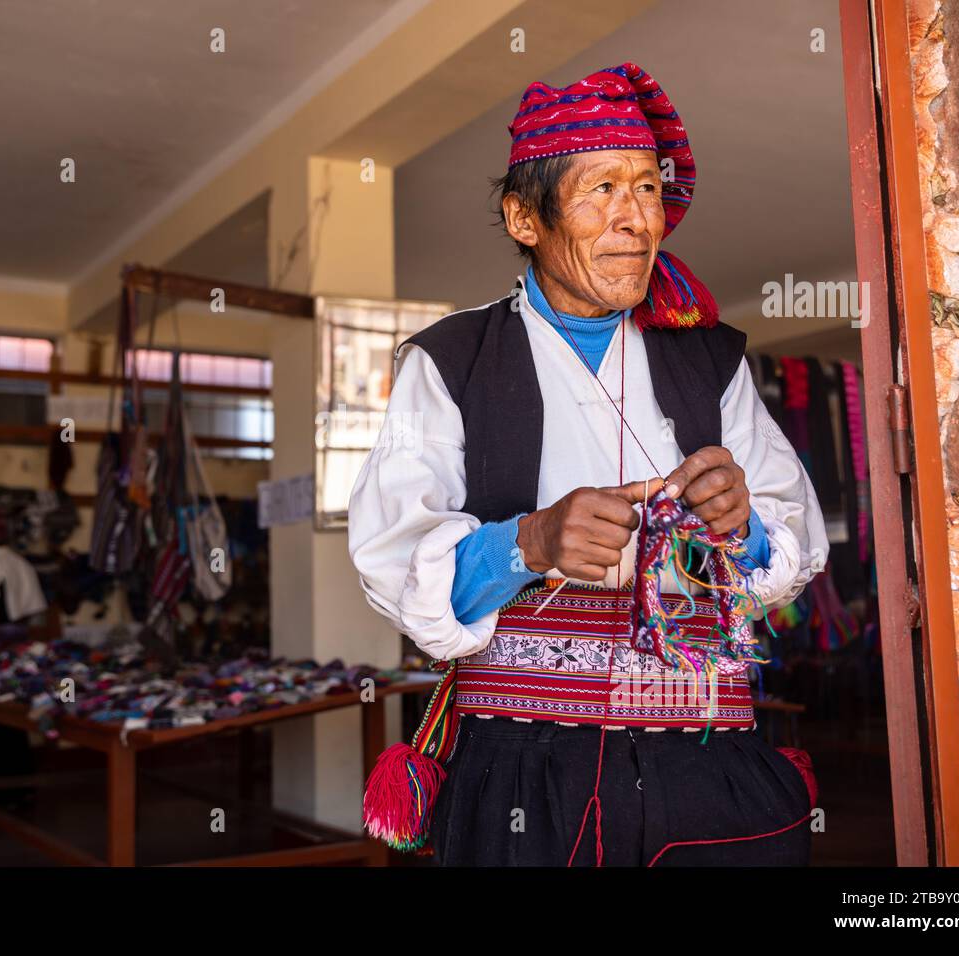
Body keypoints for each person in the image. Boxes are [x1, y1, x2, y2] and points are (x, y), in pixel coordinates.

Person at [349, 63, 828, 866]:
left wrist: (740, 529)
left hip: (707, 760)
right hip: (526, 774)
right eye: (601, 189)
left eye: (645, 189)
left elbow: (792, 539)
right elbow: (396, 561)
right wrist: (530, 543)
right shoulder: (452, 359)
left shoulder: (709, 359)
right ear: (523, 217)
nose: (634, 219)